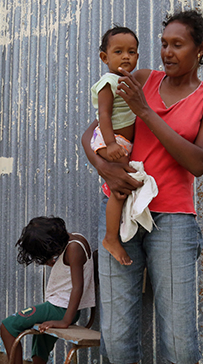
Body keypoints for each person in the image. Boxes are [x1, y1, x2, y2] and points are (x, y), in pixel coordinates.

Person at [82, 10, 203, 364]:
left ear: (200, 49)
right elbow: (93, 133)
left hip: (174, 220)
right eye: (163, 44)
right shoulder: (141, 79)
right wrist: (104, 168)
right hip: (121, 210)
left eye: (178, 45)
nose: (167, 53)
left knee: (177, 339)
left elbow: (198, 162)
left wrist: (146, 113)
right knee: (115, 337)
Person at [0, 216, 95, 364]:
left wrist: (65, 321)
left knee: (8, 326)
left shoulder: (74, 248)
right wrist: (53, 261)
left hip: (61, 309)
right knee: (41, 336)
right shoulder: (74, 240)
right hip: (60, 306)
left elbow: (78, 287)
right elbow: (69, 268)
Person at [91, 26, 141, 266]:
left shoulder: (127, 80)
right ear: (104, 57)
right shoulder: (108, 82)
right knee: (119, 190)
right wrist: (110, 144)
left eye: (131, 52)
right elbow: (103, 114)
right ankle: (110, 238)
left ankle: (116, 231)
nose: (126, 57)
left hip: (120, 142)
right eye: (119, 51)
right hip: (110, 140)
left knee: (121, 188)